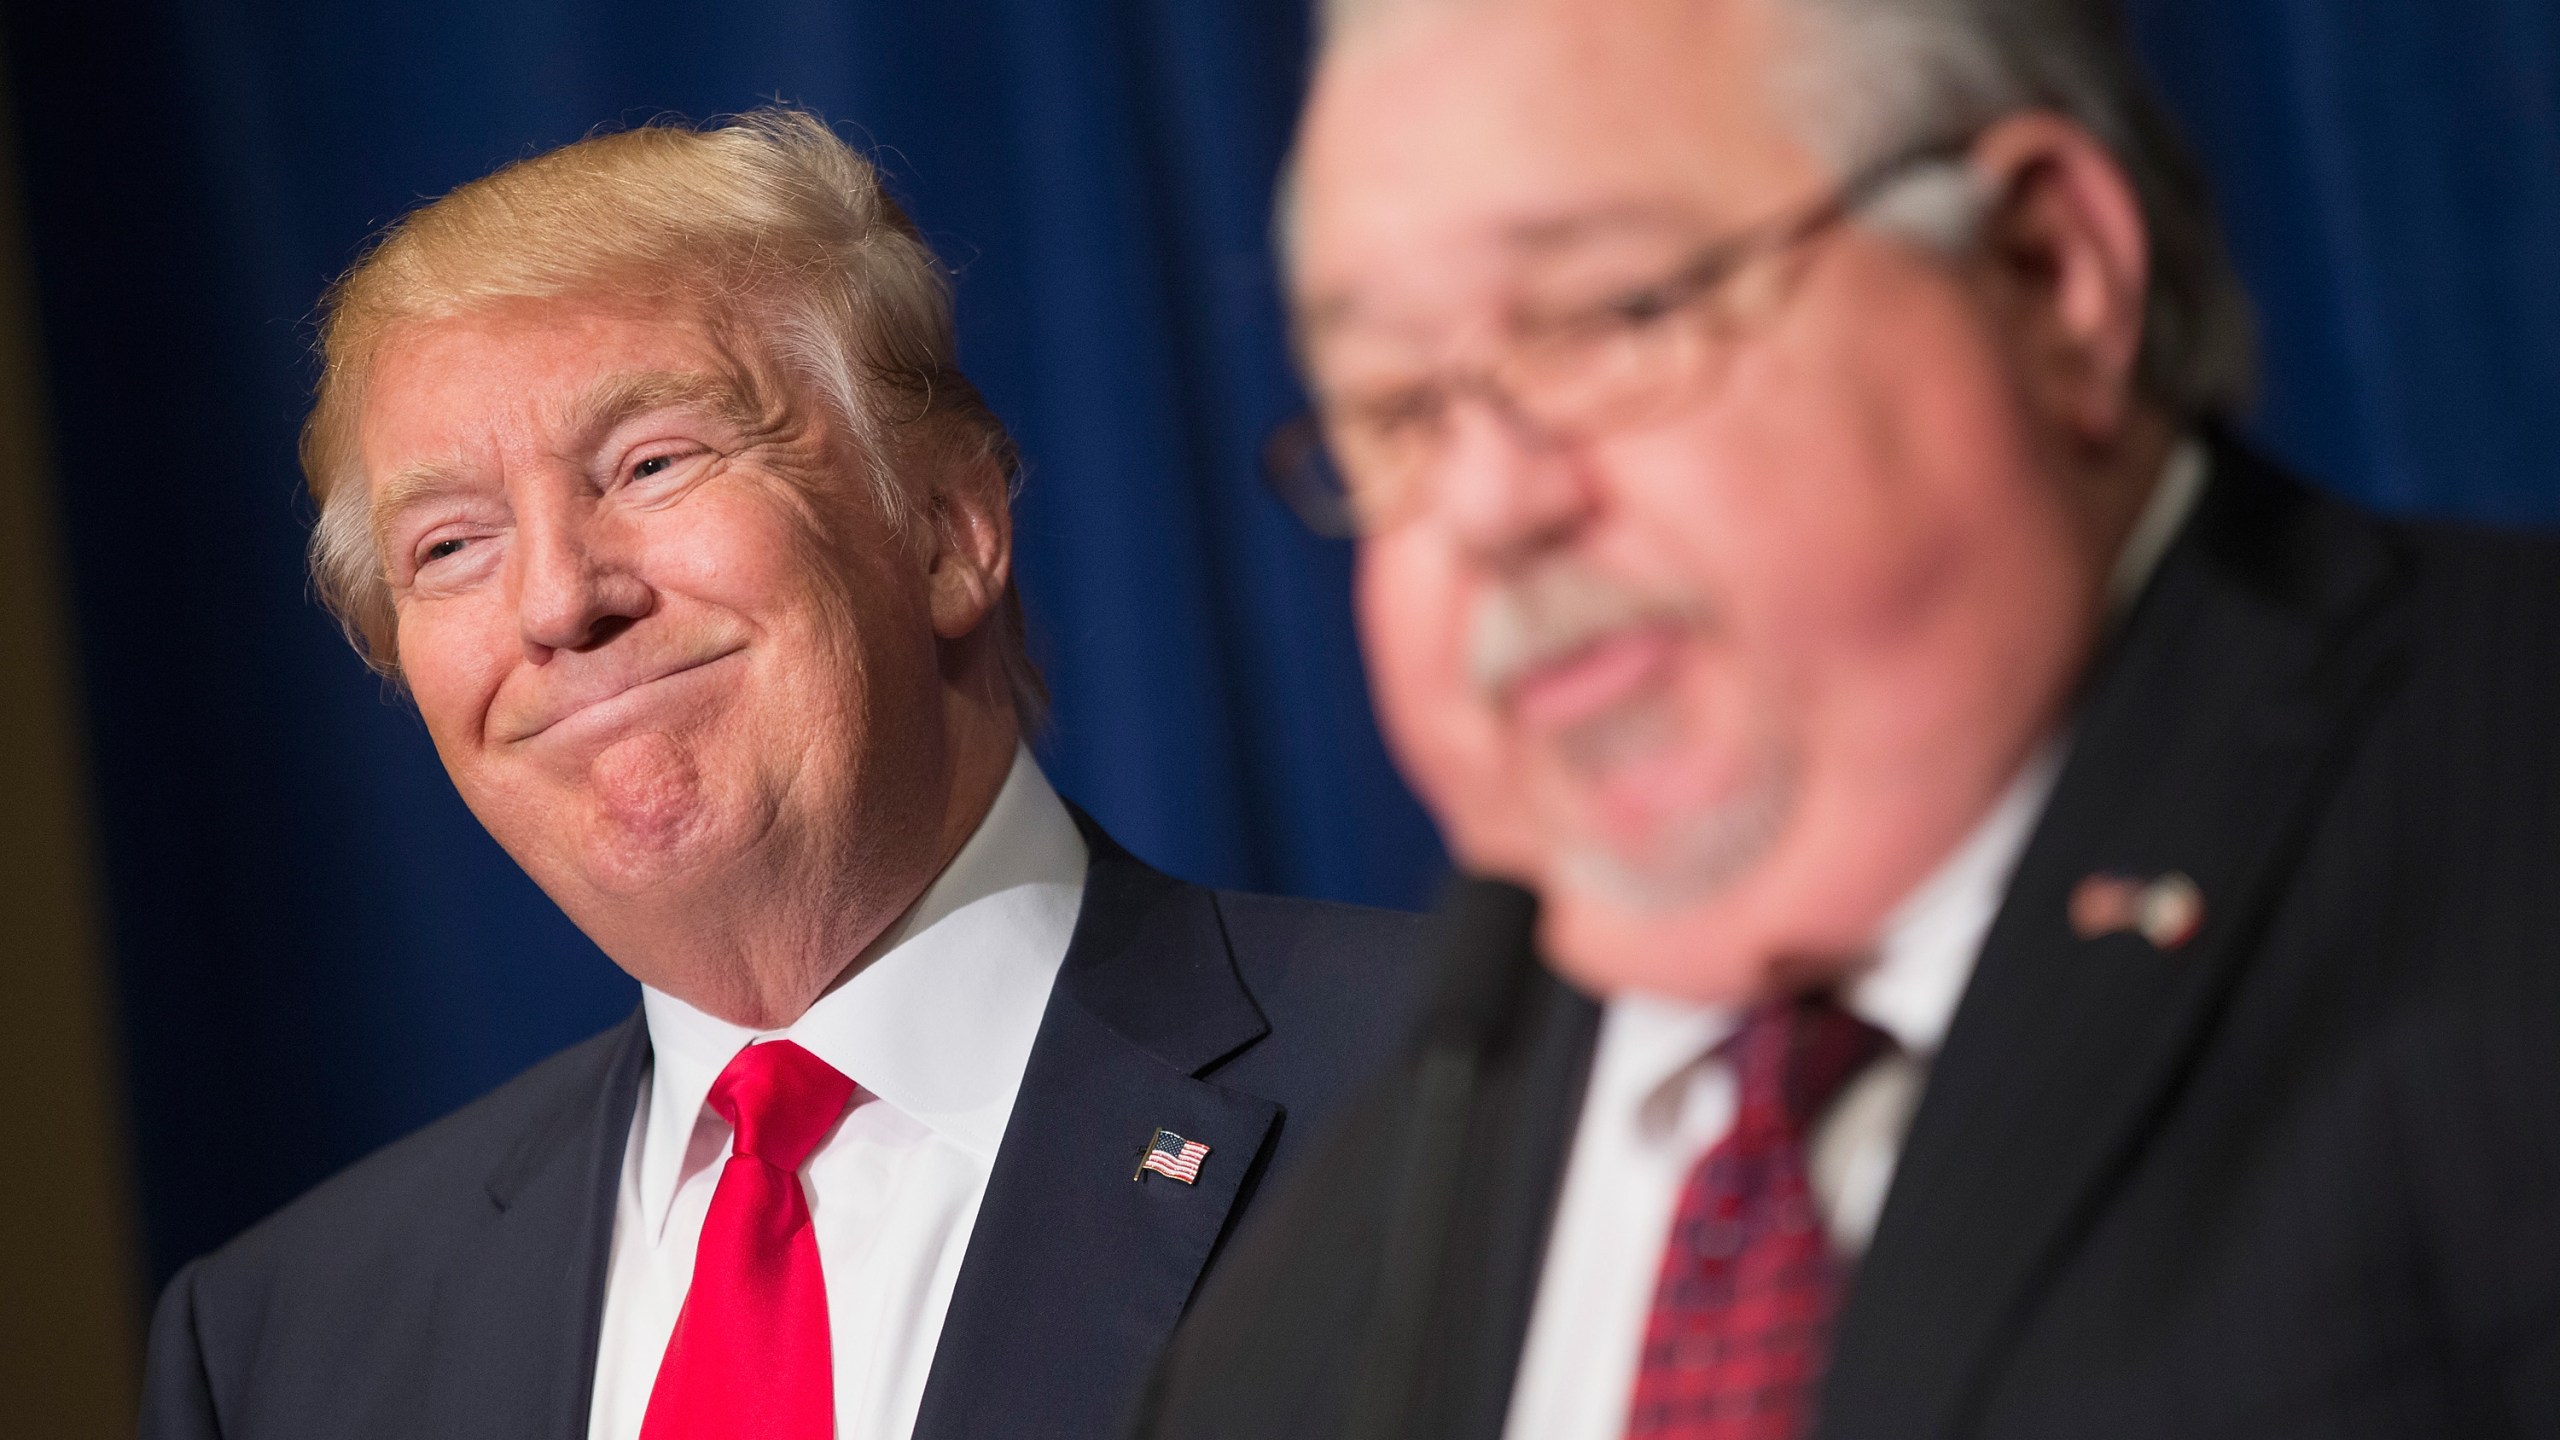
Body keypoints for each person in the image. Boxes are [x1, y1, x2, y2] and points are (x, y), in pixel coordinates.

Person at [1136, 0, 2560, 1437]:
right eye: (1394, 408)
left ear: (2049, 271)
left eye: (1615, 313)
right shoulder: (1305, 1308)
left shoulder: (2505, 826)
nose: (1489, 505)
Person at [137, 109, 1428, 1440]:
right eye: (451, 545)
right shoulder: (275, 1346)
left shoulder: (1459, 1097)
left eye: (651, 462)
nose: (559, 601)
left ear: (946, 532)